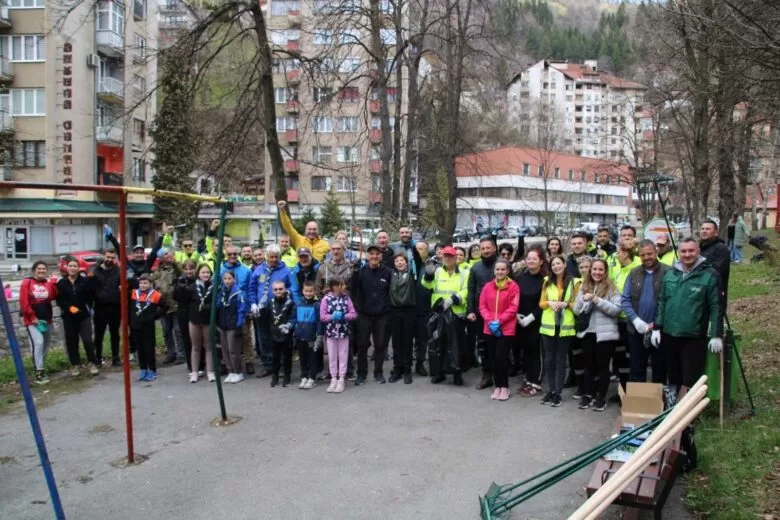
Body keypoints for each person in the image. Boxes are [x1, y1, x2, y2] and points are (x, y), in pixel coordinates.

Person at [652, 238, 722, 390]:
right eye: (683, 251)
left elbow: (717, 306)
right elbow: (662, 302)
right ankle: (673, 410)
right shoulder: (671, 274)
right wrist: (657, 327)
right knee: (673, 377)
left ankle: (691, 412)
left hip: (693, 337)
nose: (687, 254)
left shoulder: (710, 275)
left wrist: (717, 334)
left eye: (691, 251)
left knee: (690, 379)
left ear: (698, 252)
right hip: (669, 335)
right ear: (679, 253)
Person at [573, 259, 622, 411]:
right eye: (594, 269)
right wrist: (583, 299)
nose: (597, 272)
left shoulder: (612, 288)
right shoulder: (584, 286)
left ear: (605, 271)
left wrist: (598, 300)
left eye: (600, 270)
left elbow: (616, 310)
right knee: (588, 366)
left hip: (605, 335)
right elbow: (576, 309)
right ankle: (588, 394)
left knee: (603, 367)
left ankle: (601, 397)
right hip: (588, 332)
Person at [621, 239, 670, 383]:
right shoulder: (633, 273)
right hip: (636, 330)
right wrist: (635, 320)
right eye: (643, 255)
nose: (647, 257)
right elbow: (625, 299)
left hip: (660, 330)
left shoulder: (668, 272)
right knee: (637, 368)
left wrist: (657, 325)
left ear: (656, 252)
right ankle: (639, 402)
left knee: (659, 368)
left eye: (650, 254)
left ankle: (658, 403)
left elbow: (670, 302)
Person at [422, 246, 469, 386]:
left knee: (457, 345)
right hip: (439, 313)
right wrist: (428, 275)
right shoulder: (436, 272)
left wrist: (454, 299)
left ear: (456, 258)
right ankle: (439, 373)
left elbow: (466, 290)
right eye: (445, 256)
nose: (448, 258)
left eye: (451, 256)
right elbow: (427, 285)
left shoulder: (464, 273)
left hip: (456, 313)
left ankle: (457, 373)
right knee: (439, 345)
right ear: (442, 258)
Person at [249, 244, 298, 377]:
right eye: (271, 257)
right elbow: (252, 288)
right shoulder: (259, 270)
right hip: (262, 308)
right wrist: (253, 303)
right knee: (264, 337)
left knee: (279, 337)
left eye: (276, 257)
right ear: (266, 256)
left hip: (279, 308)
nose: (273, 259)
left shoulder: (286, 271)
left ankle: (281, 365)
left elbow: (293, 288)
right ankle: (268, 364)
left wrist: (287, 297)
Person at [478, 259, 520, 401]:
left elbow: (513, 308)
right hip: (490, 328)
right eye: (498, 269)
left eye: (503, 269)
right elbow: (482, 306)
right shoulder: (488, 287)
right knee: (493, 359)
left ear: (508, 271)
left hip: (506, 328)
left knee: (501, 358)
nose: (500, 272)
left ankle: (505, 387)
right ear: (494, 271)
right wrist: (490, 321)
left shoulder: (513, 286)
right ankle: (497, 386)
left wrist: (499, 321)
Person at [350, 244, 393, 385]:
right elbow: (354, 291)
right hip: (364, 314)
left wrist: (387, 308)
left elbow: (390, 292)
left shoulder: (387, 272)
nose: (374, 256)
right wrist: (358, 309)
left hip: (382, 314)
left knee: (380, 345)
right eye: (371, 254)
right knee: (362, 345)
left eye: (377, 254)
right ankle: (361, 374)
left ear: (381, 256)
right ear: (367, 256)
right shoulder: (360, 272)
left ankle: (378, 373)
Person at [538, 255, 575, 407]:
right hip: (548, 327)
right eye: (553, 264)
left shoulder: (574, 282)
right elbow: (541, 303)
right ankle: (551, 390)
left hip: (564, 326)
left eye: (559, 263)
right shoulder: (547, 281)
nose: (556, 266)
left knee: (560, 361)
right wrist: (550, 303)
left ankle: (558, 392)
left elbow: (577, 305)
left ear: (564, 264)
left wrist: (565, 304)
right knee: (549, 360)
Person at [56, 257, 99, 376]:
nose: (72, 268)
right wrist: (69, 308)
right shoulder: (62, 283)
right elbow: (60, 300)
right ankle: (75, 364)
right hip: (68, 317)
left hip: (83, 316)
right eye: (70, 266)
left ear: (78, 268)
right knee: (71, 340)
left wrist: (87, 307)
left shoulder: (84, 281)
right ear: (67, 267)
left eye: (75, 266)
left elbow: (91, 294)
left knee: (87, 339)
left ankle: (92, 362)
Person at [513, 247, 546, 397]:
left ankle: (536, 383)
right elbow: (514, 296)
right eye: (529, 258)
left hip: (537, 321)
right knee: (526, 352)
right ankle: (528, 379)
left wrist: (531, 317)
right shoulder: (521, 276)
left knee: (536, 353)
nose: (531, 261)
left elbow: (544, 302)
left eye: (534, 259)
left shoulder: (545, 279)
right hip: (520, 320)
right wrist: (516, 314)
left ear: (541, 261)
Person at [467, 237, 498, 390]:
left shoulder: (502, 266)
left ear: (494, 248)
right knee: (483, 346)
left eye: (488, 248)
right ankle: (486, 375)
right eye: (483, 248)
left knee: (499, 346)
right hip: (480, 313)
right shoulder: (475, 268)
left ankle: (499, 377)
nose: (485, 251)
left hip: (499, 313)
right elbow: (471, 290)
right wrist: (471, 310)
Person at [20, 261, 58, 385]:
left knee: (45, 346)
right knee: (38, 343)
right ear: (34, 270)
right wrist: (32, 317)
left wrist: (52, 283)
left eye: (43, 269)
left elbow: (52, 297)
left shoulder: (47, 283)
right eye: (39, 269)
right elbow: (24, 302)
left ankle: (40, 367)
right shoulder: (27, 283)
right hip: (32, 321)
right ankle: (39, 373)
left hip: (47, 319)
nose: (41, 271)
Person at [612, 238, 641, 390]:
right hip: (618, 319)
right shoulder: (618, 269)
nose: (616, 254)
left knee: (632, 356)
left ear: (625, 253)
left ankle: (633, 390)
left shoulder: (637, 268)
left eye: (618, 251)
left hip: (632, 319)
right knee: (620, 356)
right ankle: (622, 390)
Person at [179, 264, 215, 383]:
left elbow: (217, 303)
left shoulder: (214, 287)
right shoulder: (192, 287)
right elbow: (183, 300)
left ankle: (209, 371)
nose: (205, 275)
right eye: (203, 272)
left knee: (209, 347)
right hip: (194, 321)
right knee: (195, 347)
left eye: (208, 272)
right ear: (198, 274)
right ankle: (194, 372)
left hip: (208, 321)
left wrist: (208, 306)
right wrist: (180, 288)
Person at [320, 278, 358, 393]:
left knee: (343, 354)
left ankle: (341, 378)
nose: (344, 287)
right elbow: (322, 316)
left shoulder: (346, 298)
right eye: (341, 285)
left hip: (343, 331)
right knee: (332, 355)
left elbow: (353, 314)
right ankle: (333, 378)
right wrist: (332, 317)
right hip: (331, 332)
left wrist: (344, 316)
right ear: (335, 286)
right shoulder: (326, 299)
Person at [150, 247, 186, 365]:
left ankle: (181, 354)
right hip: (163, 306)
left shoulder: (175, 267)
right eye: (165, 254)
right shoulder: (157, 271)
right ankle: (171, 353)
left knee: (178, 331)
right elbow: (154, 285)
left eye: (168, 253)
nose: (168, 256)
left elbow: (183, 274)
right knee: (166, 331)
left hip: (175, 304)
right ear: (160, 258)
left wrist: (174, 263)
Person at [88, 248, 122, 367]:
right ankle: (98, 358)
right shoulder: (95, 271)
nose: (109, 260)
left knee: (115, 334)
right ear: (104, 257)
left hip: (115, 306)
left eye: (112, 258)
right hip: (100, 307)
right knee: (98, 335)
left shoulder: (118, 271)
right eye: (108, 257)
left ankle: (116, 358)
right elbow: (90, 286)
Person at [131, 274, 166, 382]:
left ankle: (152, 370)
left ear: (151, 284)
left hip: (148, 326)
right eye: (141, 283)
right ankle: (143, 369)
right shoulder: (134, 293)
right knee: (140, 348)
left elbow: (165, 307)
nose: (143, 285)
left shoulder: (156, 295)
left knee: (149, 348)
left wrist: (154, 316)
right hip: (136, 325)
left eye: (145, 283)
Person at [389, 253, 417, 384]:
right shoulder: (391, 275)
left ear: (407, 263)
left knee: (407, 341)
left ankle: (407, 370)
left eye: (402, 260)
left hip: (408, 312)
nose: (399, 263)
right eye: (397, 261)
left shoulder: (412, 275)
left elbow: (418, 261)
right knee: (396, 342)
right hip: (394, 312)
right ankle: (397, 369)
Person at [216, 270, 249, 384]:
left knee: (232, 349)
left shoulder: (238, 293)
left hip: (233, 325)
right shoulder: (221, 292)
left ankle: (238, 372)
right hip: (223, 324)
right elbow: (217, 306)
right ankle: (230, 371)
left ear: (234, 279)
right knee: (224, 349)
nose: (227, 281)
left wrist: (239, 323)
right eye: (225, 279)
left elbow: (241, 309)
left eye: (229, 278)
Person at [264, 280, 296, 387]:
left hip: (286, 333)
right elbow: (268, 317)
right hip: (274, 333)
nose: (278, 291)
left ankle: (287, 376)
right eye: (276, 289)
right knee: (275, 356)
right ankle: (275, 375)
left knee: (287, 355)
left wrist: (289, 326)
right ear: (272, 291)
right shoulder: (271, 302)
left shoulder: (290, 302)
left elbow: (293, 317)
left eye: (280, 289)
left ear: (285, 289)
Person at [570, 255, 593, 398]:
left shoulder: (596, 282)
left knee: (590, 358)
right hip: (577, 323)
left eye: (587, 267)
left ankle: (590, 387)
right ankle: (580, 386)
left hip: (592, 324)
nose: (584, 270)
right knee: (577, 356)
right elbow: (571, 301)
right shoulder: (575, 283)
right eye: (581, 267)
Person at [173, 260, 202, 377]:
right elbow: (177, 297)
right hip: (183, 313)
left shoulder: (198, 280)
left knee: (199, 340)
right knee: (187, 339)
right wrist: (180, 288)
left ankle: (202, 364)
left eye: (191, 269)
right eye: (186, 269)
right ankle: (191, 365)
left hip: (196, 312)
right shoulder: (179, 281)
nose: (189, 271)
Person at [294, 281, 322, 390]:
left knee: (313, 358)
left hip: (312, 336)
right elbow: (294, 318)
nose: (308, 293)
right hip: (300, 335)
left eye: (311, 291)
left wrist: (319, 334)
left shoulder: (317, 304)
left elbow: (320, 320)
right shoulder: (298, 303)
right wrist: (293, 329)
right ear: (302, 291)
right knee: (303, 357)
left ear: (314, 291)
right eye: (306, 291)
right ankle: (304, 376)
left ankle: (312, 378)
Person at [698, 219, 730, 300]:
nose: (704, 231)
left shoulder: (721, 249)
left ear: (716, 232)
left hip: (715, 294)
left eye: (708, 229)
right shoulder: (698, 249)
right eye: (702, 229)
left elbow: (716, 271)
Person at [415, 240, 433, 376]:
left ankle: (420, 363)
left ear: (427, 251)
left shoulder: (431, 265)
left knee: (423, 338)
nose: (419, 251)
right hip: (409, 307)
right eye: (417, 249)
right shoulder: (410, 264)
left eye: (422, 249)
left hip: (426, 307)